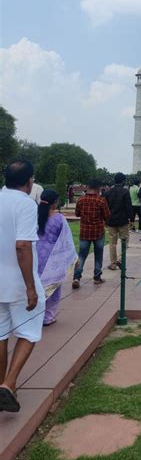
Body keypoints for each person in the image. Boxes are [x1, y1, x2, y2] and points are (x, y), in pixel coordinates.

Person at [0, 160, 45, 412]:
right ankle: (8, 383)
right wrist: (30, 287)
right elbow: (22, 246)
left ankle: (3, 388)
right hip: (18, 281)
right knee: (29, 331)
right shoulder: (25, 204)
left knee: (1, 334)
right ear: (30, 182)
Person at [37, 189, 77, 325]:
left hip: (35, 254)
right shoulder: (59, 218)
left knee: (36, 284)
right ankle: (47, 317)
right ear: (54, 203)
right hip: (52, 256)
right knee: (53, 285)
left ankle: (33, 316)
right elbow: (67, 240)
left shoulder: (33, 216)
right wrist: (73, 258)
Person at [72, 178, 110, 289]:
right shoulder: (101, 200)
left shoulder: (81, 200)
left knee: (82, 255)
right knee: (98, 255)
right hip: (98, 232)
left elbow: (77, 214)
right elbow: (107, 216)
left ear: (88, 187)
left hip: (84, 231)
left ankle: (76, 277)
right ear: (98, 188)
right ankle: (97, 277)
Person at [104, 173, 133, 271]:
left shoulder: (108, 192)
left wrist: (105, 219)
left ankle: (113, 264)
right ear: (123, 181)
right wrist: (131, 219)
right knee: (125, 241)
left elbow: (105, 207)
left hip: (111, 221)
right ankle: (121, 260)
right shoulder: (125, 192)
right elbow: (129, 207)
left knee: (112, 243)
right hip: (122, 221)